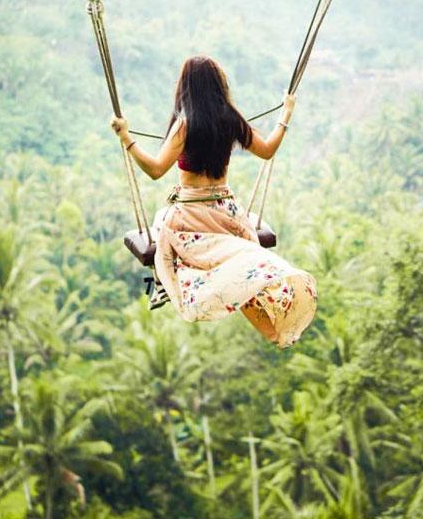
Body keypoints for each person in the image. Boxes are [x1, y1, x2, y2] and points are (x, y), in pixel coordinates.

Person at [109, 55, 317, 349]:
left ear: (185, 88)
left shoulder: (184, 126)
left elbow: (156, 170)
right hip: (228, 215)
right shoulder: (230, 120)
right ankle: (273, 330)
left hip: (190, 217)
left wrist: (127, 139)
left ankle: (165, 284)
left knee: (167, 238)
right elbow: (267, 150)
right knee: (243, 267)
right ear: (219, 86)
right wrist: (286, 114)